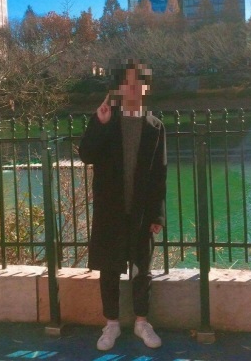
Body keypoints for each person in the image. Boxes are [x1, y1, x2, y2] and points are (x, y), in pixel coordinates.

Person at [79, 59, 167, 351]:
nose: (131, 88)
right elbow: (86, 155)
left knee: (142, 269)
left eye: (137, 83)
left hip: (141, 212)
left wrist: (157, 214)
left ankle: (142, 322)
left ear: (145, 87)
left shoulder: (155, 126)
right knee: (109, 269)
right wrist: (99, 123)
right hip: (110, 210)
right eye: (125, 83)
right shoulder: (107, 120)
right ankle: (112, 324)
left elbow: (159, 173)